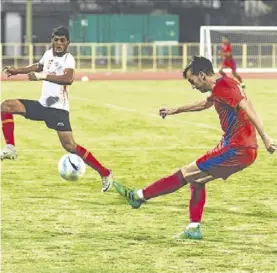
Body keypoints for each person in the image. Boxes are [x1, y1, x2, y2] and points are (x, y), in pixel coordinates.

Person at [113, 55, 277, 240]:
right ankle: (193, 227)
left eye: (193, 81)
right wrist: (176, 110)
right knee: (197, 180)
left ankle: (138, 196)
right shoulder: (223, 85)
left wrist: (265, 137)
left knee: (185, 173)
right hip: (242, 149)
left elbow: (247, 107)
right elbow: (205, 103)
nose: (193, 86)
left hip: (236, 148)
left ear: (202, 75)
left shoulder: (224, 87)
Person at [1, 26, 113, 192]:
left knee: (70, 146)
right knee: (6, 106)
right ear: (52, 40)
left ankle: (105, 172)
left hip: (58, 110)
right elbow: (38, 66)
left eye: (62, 40)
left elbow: (68, 79)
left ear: (68, 42)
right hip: (42, 106)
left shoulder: (69, 59)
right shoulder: (48, 54)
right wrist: (16, 71)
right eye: (56, 40)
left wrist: (43, 76)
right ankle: (10, 147)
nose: (58, 43)